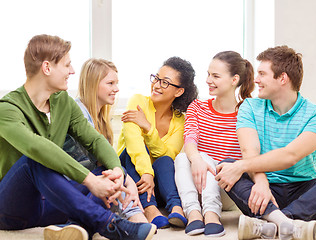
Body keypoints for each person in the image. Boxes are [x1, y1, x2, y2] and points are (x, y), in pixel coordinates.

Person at [0, 34, 156, 240]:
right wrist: (90, 181)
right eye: (67, 65)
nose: (72, 71)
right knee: (34, 161)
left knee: (104, 173)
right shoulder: (7, 109)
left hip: (48, 206)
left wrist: (117, 172)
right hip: (10, 209)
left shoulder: (63, 102)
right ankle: (110, 225)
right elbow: (37, 148)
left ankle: (76, 228)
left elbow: (95, 140)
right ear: (47, 68)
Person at [215, 46, 316, 240]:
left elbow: (290, 156)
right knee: (227, 166)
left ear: (282, 78)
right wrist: (261, 181)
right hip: (263, 192)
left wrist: (242, 166)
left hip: (306, 192)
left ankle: (271, 221)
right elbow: (249, 150)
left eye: (262, 74)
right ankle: (288, 224)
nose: (256, 79)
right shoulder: (249, 106)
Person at [174, 51, 255, 237]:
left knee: (204, 157)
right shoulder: (197, 107)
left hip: (226, 190)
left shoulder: (247, 112)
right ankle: (193, 213)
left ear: (234, 79)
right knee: (183, 157)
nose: (208, 80)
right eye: (208, 74)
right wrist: (197, 160)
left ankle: (211, 215)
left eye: (216, 76)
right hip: (196, 184)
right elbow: (190, 140)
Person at [63, 58, 148, 223]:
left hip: (88, 180)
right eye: (110, 83)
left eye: (116, 83)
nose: (116, 89)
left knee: (125, 160)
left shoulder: (100, 117)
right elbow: (100, 164)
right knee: (111, 175)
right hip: (73, 183)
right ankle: (136, 216)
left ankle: (133, 213)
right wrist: (128, 181)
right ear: (93, 84)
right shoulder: (78, 112)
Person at [117, 57, 198, 229]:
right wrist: (146, 172)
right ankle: (150, 209)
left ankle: (176, 207)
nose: (157, 85)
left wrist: (147, 127)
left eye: (165, 82)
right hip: (131, 179)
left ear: (179, 91)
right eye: (156, 78)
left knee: (166, 160)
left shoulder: (180, 121)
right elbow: (133, 143)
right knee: (137, 149)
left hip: (159, 186)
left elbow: (169, 155)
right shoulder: (138, 101)